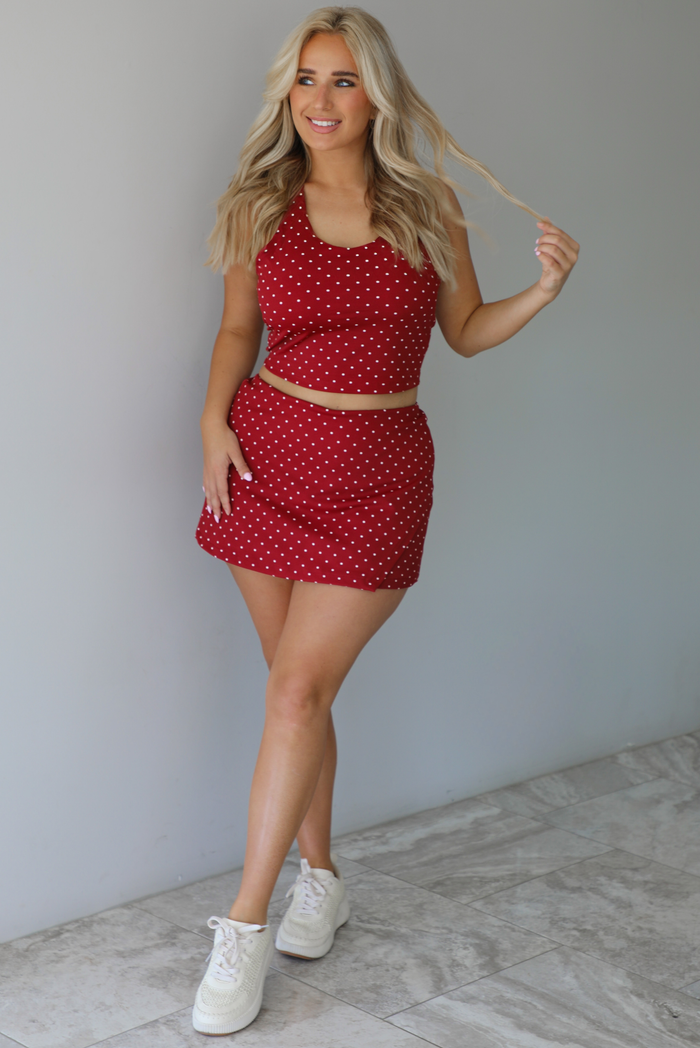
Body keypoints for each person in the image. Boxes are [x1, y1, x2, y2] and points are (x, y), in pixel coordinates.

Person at [191, 5, 578, 1036]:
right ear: (289, 92)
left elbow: (463, 332)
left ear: (376, 96)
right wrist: (210, 423)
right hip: (265, 460)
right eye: (307, 80)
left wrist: (539, 292)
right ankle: (320, 878)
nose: (320, 101)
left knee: (293, 693)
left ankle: (241, 926)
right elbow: (238, 328)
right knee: (296, 697)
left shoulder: (424, 205)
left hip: (378, 477)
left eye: (342, 81)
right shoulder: (256, 204)